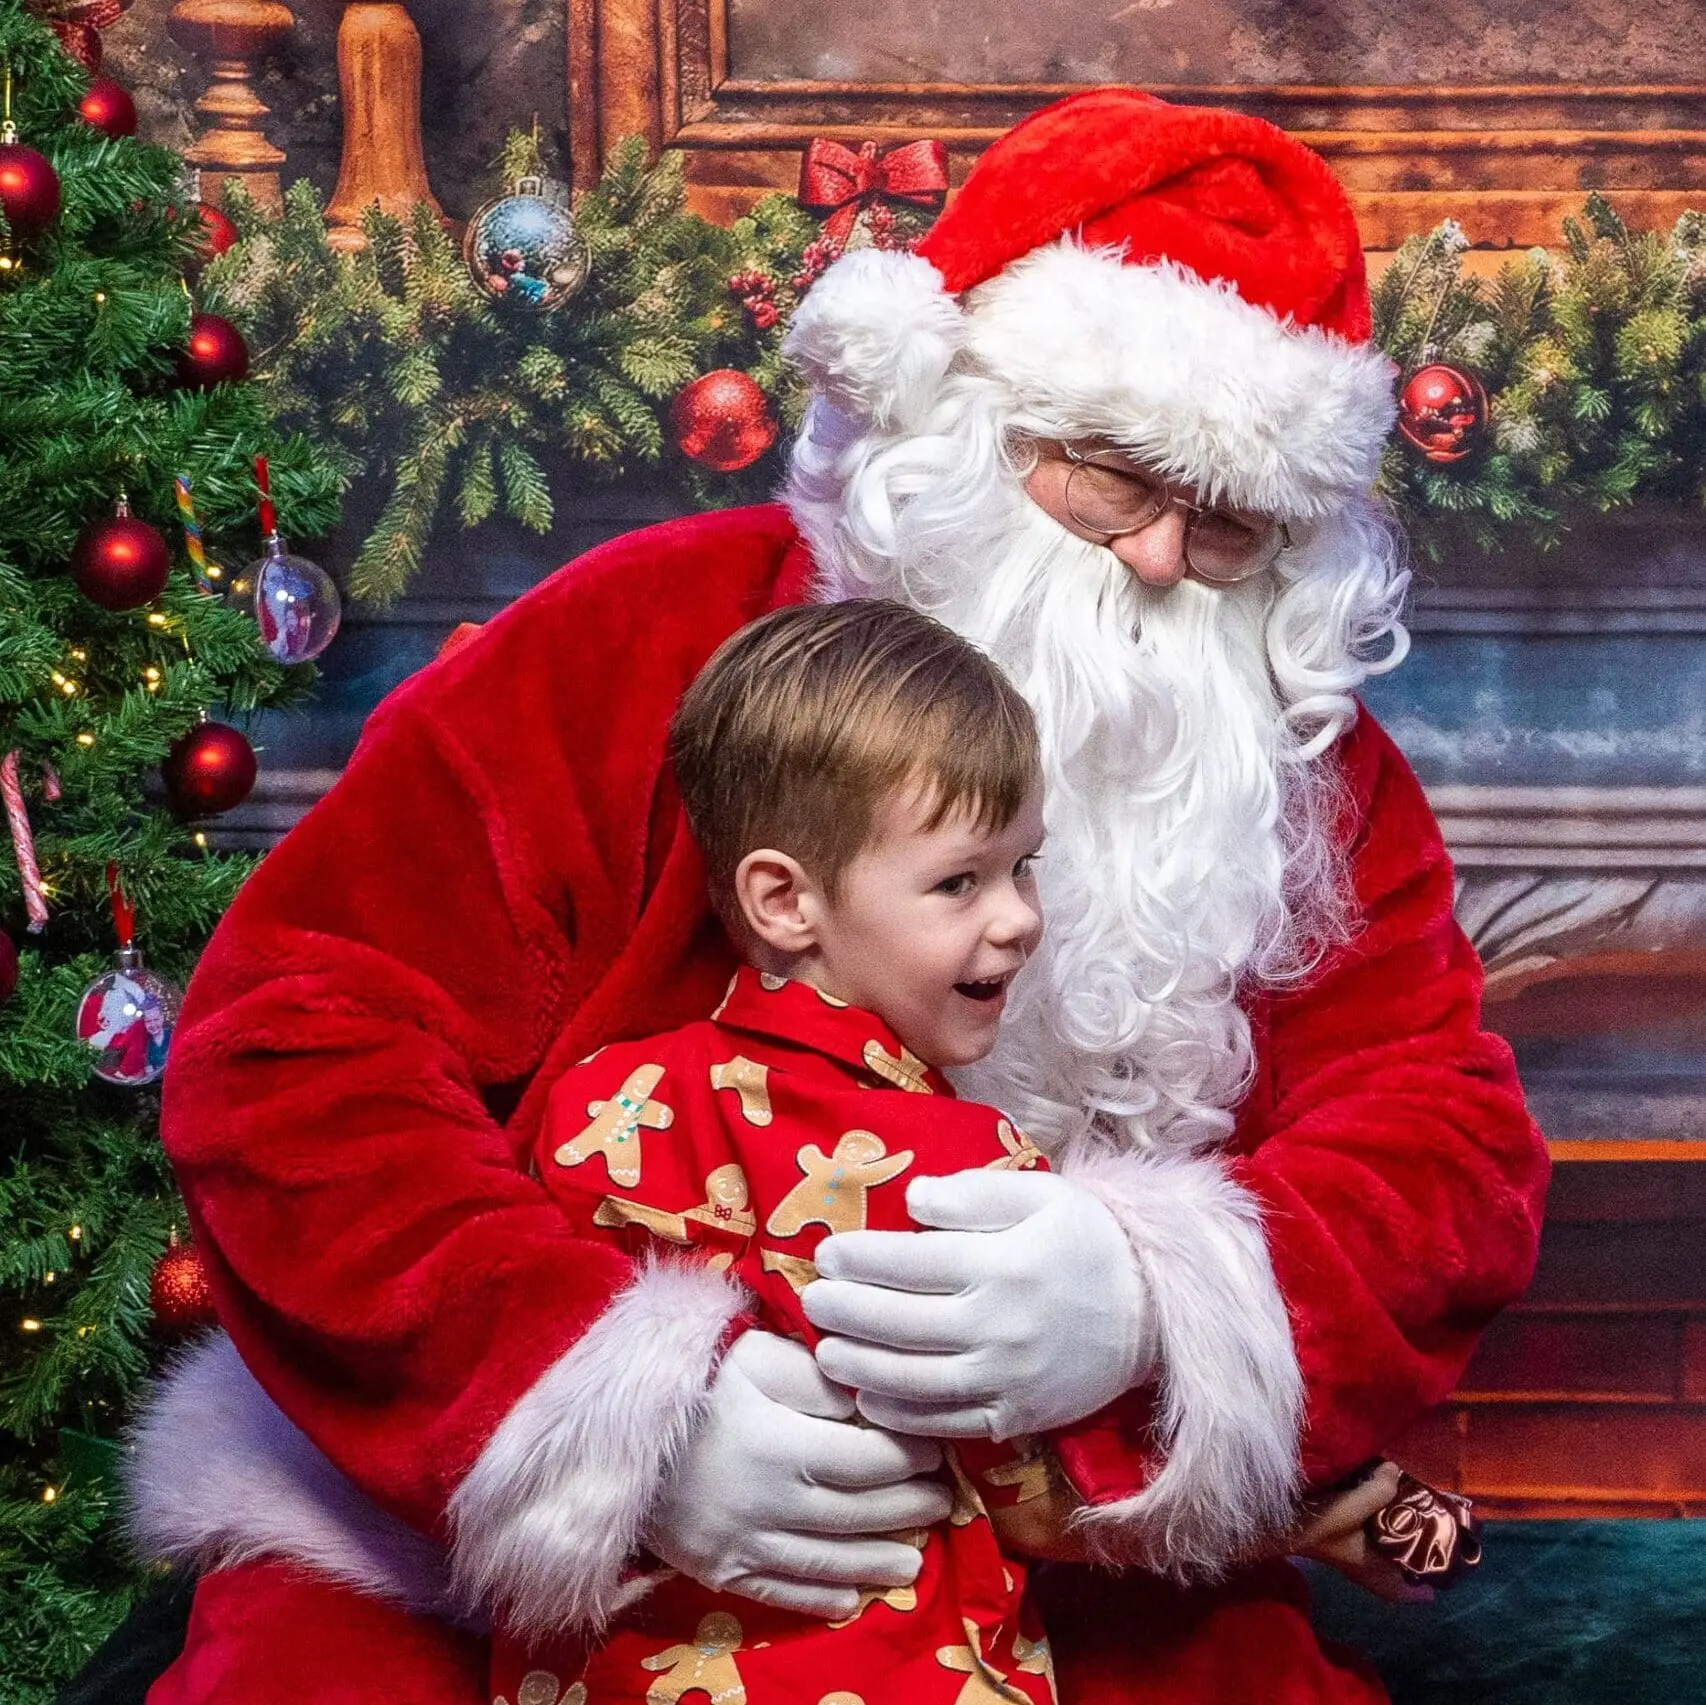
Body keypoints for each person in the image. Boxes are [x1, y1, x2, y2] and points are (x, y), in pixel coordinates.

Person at [127, 87, 1549, 1705]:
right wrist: (606, 1395)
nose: (1159, 561)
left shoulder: (1304, 768)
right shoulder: (643, 642)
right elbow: (300, 1039)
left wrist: (1158, 1307)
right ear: (961, 420)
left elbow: (1444, 1148)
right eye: (1105, 478)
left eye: (1226, 525)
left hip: (1058, 1531)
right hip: (489, 1531)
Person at [493, 596, 1070, 1705]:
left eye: (1023, 866)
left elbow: (536, 1359)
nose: (1018, 918)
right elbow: (1049, 1497)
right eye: (961, 881)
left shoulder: (595, 1100)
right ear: (782, 899)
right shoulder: (971, 1169)